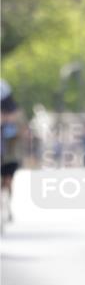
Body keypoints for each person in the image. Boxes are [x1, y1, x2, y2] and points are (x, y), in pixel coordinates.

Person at [1, 79, 23, 225]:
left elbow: (15, 115)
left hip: (7, 147)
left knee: (8, 178)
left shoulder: (3, 89)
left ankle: (7, 204)